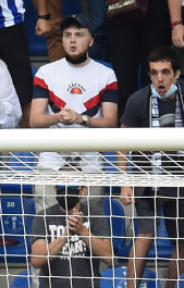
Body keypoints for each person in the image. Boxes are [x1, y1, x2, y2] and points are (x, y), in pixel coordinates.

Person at [116, 46, 184, 288]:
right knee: (144, 235)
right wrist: (125, 182)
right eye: (154, 73)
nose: (160, 79)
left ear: (177, 74)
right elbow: (121, 144)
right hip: (147, 180)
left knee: (183, 242)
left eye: (165, 72)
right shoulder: (137, 100)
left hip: (181, 183)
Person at [30, 15, 118, 174]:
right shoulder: (45, 73)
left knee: (92, 199)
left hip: (90, 152)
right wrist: (58, 117)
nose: (72, 40)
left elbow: (111, 122)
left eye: (79, 35)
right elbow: (34, 120)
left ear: (91, 41)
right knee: (46, 197)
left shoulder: (106, 74)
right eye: (67, 35)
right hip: (52, 152)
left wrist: (81, 119)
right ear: (62, 40)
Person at [29, 183, 113, 288]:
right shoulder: (44, 217)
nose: (66, 190)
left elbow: (109, 256)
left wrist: (82, 231)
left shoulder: (94, 214)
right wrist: (64, 237)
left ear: (83, 189)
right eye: (61, 185)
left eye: (72, 186)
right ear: (54, 189)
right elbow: (37, 259)